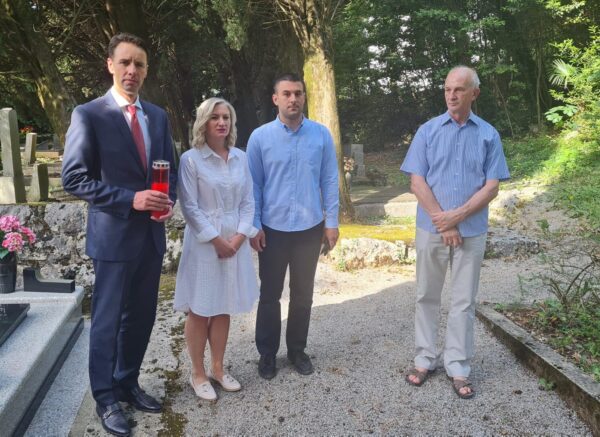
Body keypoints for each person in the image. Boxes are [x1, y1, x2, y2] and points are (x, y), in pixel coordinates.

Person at [62, 33, 177, 437]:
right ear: (110, 65)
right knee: (107, 321)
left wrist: (168, 201)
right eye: (125, 62)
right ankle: (105, 397)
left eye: (139, 64)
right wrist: (132, 199)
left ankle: (127, 382)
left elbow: (170, 169)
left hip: (151, 236)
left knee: (142, 316)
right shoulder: (89, 114)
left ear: (146, 70)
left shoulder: (158, 116)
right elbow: (74, 178)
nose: (132, 70)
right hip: (113, 237)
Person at [400, 66, 510, 399]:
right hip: (431, 229)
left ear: (474, 93)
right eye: (448, 89)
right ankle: (424, 359)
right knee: (426, 295)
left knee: (464, 300)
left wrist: (457, 218)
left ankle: (458, 366)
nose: (451, 95)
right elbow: (416, 181)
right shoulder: (428, 131)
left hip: (472, 231)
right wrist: (444, 222)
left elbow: (492, 187)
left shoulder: (488, 135)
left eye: (459, 89)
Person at [247, 73, 340, 380]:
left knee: (303, 294)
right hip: (272, 228)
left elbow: (329, 179)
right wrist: (254, 225)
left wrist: (332, 222)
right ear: (275, 99)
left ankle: (297, 350)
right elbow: (253, 186)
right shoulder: (260, 138)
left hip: (309, 227)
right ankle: (267, 354)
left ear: (304, 97)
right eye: (286, 93)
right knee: (270, 294)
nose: (293, 99)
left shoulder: (321, 135)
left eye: (298, 93)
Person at [174, 97, 259, 401]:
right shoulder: (191, 160)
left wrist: (239, 237)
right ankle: (197, 373)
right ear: (203, 122)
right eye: (215, 117)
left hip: (234, 240)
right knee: (200, 308)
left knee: (224, 305)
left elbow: (248, 201)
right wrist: (216, 240)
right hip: (204, 243)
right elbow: (190, 207)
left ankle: (218, 368)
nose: (222, 122)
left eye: (226, 117)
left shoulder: (240, 157)